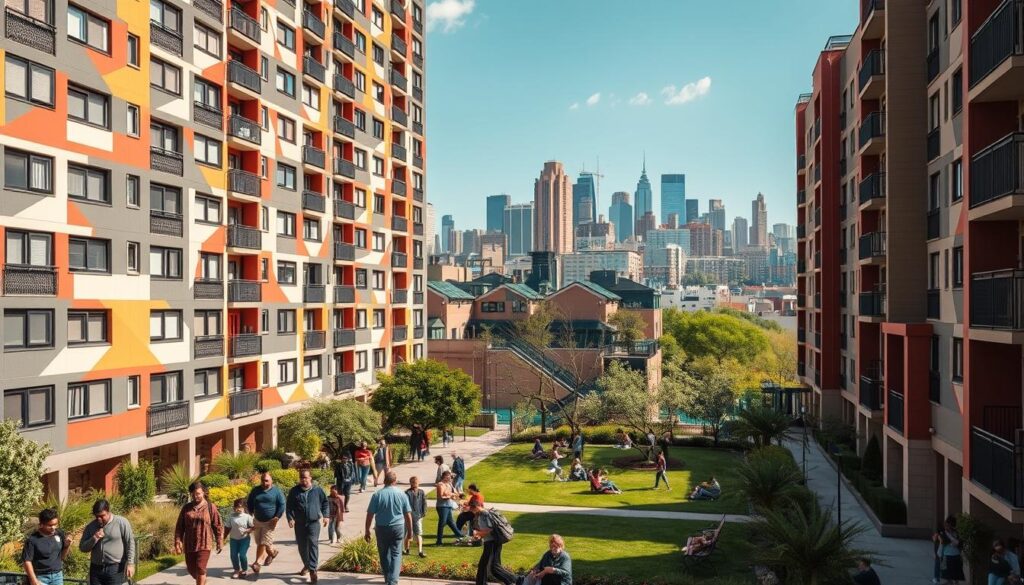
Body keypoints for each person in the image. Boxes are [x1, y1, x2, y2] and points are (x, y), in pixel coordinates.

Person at [365, 471, 413, 585]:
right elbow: (408, 514)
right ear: (395, 481)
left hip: (381, 528)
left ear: (384, 481)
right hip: (398, 527)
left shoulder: (377, 495)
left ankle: (388, 578)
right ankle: (392, 580)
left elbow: (370, 514)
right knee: (396, 554)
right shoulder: (402, 494)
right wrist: (410, 532)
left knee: (384, 553)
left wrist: (367, 530)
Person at [174, 481, 224, 585]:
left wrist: (219, 541)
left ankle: (201, 580)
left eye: (198, 493)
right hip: (190, 544)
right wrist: (177, 541)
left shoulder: (210, 507)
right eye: (193, 494)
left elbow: (217, 525)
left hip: (205, 543)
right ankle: (202, 581)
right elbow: (179, 526)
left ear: (204, 493)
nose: (195, 496)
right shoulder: (186, 508)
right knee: (192, 570)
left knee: (200, 568)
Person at [286, 469, 330, 583]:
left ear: (310, 478)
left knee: (313, 544)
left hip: (313, 523)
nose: (303, 480)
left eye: (305, 477)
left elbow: (325, 503)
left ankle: (313, 570)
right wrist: (290, 518)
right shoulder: (294, 491)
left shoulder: (317, 490)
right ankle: (307, 564)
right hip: (300, 524)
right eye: (301, 478)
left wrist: (326, 516)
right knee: (302, 547)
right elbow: (289, 506)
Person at [80, 499, 135, 585]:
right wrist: (95, 538)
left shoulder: (121, 522)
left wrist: (131, 564)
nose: (99, 519)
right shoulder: (91, 527)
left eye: (102, 516)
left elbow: (130, 543)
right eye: (96, 516)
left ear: (109, 511)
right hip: (96, 569)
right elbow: (82, 547)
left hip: (115, 568)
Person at [468, 499, 516, 585]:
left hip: (493, 542)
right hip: (489, 542)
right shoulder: (481, 515)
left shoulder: (485, 514)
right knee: (486, 565)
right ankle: (509, 581)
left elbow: (490, 529)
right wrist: (479, 535)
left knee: (494, 568)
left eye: (472, 509)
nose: (471, 511)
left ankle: (516, 579)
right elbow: (486, 531)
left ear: (475, 507)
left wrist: (478, 533)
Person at [246, 471, 286, 575]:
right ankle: (273, 553)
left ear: (271, 480)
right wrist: (250, 513)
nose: (264, 482)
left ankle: (257, 563)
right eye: (263, 480)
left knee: (263, 542)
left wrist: (277, 517)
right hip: (257, 520)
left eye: (267, 481)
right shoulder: (256, 490)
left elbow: (282, 505)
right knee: (260, 542)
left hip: (270, 522)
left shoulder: (276, 492)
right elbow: (250, 502)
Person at [23, 508, 71, 585]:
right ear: (41, 524)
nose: (53, 527)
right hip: (40, 577)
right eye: (50, 525)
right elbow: (27, 561)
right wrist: (33, 580)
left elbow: (61, 557)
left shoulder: (59, 533)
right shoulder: (32, 540)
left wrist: (66, 546)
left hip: (57, 576)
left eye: (55, 524)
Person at [435, 470, 465, 545]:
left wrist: (456, 495)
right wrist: (450, 495)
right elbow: (440, 496)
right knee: (442, 523)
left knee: (451, 522)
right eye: (448, 477)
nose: (450, 478)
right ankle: (439, 541)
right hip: (442, 506)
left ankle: (460, 535)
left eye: (450, 477)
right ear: (444, 476)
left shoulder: (449, 484)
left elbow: (455, 493)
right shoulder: (440, 484)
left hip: (448, 505)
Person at [227, 498, 254, 579]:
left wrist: (248, 530)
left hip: (244, 539)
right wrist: (222, 538)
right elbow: (227, 527)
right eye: (237, 507)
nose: (239, 509)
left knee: (242, 555)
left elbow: (253, 527)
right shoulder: (231, 517)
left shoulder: (247, 517)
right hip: (233, 539)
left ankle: (244, 569)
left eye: (241, 507)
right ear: (234, 508)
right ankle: (236, 570)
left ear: (244, 508)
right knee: (233, 555)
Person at [936, 515, 965, 584]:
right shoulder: (943, 533)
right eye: (946, 525)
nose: (947, 527)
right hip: (947, 555)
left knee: (956, 577)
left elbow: (958, 543)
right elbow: (943, 542)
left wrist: (950, 537)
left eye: (949, 525)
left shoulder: (956, 532)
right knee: (947, 577)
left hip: (956, 556)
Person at [403, 476, 427, 558]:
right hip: (408, 515)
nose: (415, 484)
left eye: (416, 482)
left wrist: (423, 513)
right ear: (410, 483)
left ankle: (420, 550)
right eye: (413, 482)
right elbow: (405, 505)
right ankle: (407, 549)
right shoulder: (407, 493)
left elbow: (424, 503)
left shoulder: (421, 492)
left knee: (419, 533)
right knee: (408, 533)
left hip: (418, 515)